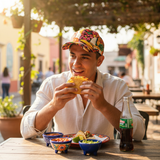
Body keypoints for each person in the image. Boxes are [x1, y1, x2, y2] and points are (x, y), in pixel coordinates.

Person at [21, 28, 145, 141]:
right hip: (63, 154)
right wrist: (53, 105)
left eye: (84, 57)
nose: (76, 64)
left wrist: (104, 106)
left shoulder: (117, 86)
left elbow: (139, 132)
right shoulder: (52, 84)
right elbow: (25, 130)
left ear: (99, 61)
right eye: (72, 56)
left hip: (104, 155)